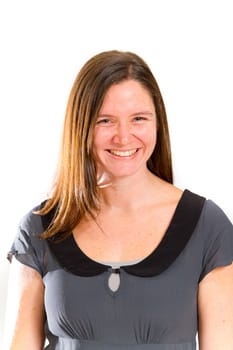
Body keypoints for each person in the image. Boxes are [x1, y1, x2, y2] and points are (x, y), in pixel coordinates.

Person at [5, 50, 233, 350]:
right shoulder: (40, 228)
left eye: (138, 119)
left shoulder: (207, 226)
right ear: (81, 127)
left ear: (157, 123)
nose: (124, 137)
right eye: (106, 121)